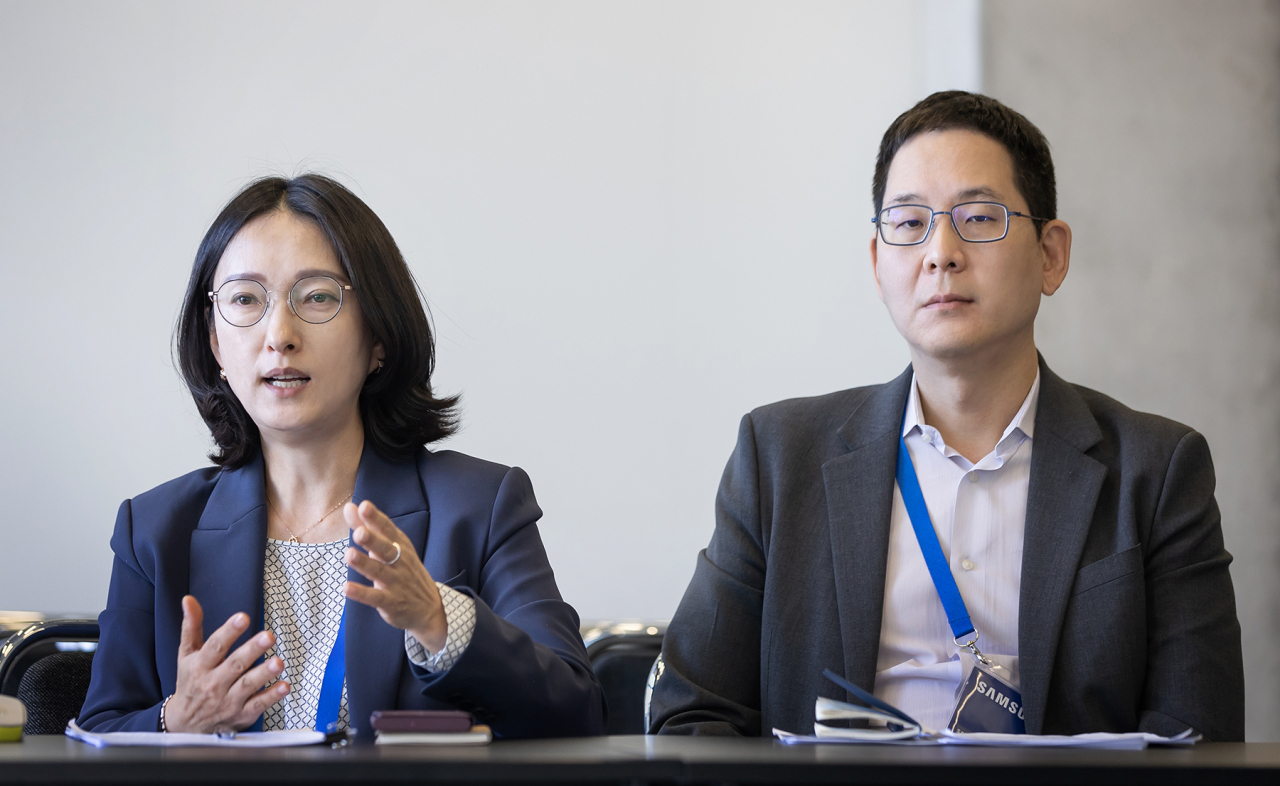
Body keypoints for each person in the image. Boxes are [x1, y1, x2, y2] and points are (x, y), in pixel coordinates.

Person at [648, 91, 1244, 740]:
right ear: (878, 263)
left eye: (979, 218)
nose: (940, 252)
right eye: (907, 223)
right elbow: (690, 712)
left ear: (1051, 255)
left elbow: (1199, 738)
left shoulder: (1157, 473)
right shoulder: (777, 457)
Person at [77, 174, 605, 740]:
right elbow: (95, 733)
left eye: (318, 297)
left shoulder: (479, 507)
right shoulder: (154, 531)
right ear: (215, 346)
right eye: (245, 299)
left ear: (378, 337)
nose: (279, 333)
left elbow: (577, 713)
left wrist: (438, 620)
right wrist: (175, 721)